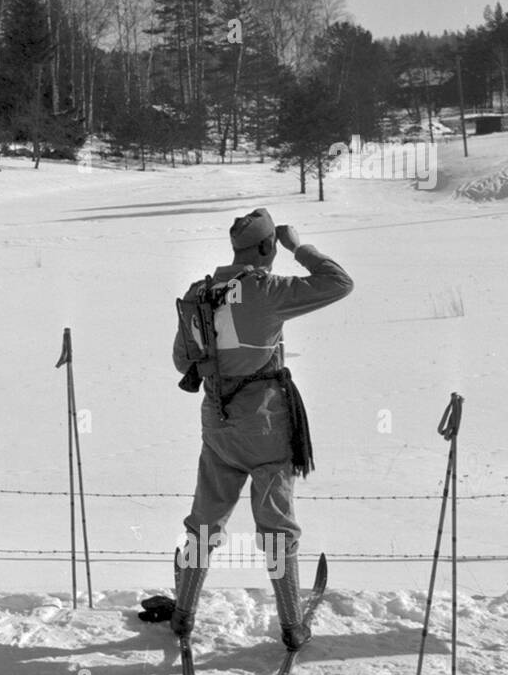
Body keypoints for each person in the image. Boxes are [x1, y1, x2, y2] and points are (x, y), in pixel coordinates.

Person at [141, 209, 353, 651]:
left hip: (217, 422)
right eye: (273, 246)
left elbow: (184, 361)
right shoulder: (267, 289)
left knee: (204, 521)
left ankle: (184, 613)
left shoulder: (200, 292)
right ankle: (293, 625)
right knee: (276, 527)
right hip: (267, 424)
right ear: (265, 248)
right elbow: (339, 282)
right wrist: (300, 247)